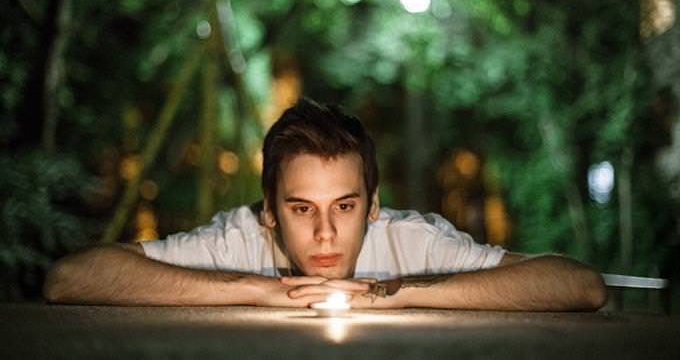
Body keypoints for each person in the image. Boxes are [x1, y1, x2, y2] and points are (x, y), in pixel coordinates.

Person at [44, 98, 607, 310]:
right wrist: (257, 288)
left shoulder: (412, 240)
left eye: (343, 206)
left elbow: (579, 285)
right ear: (268, 210)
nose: (324, 234)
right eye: (300, 208)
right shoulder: (240, 237)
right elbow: (71, 278)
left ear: (372, 206)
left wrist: (395, 295)